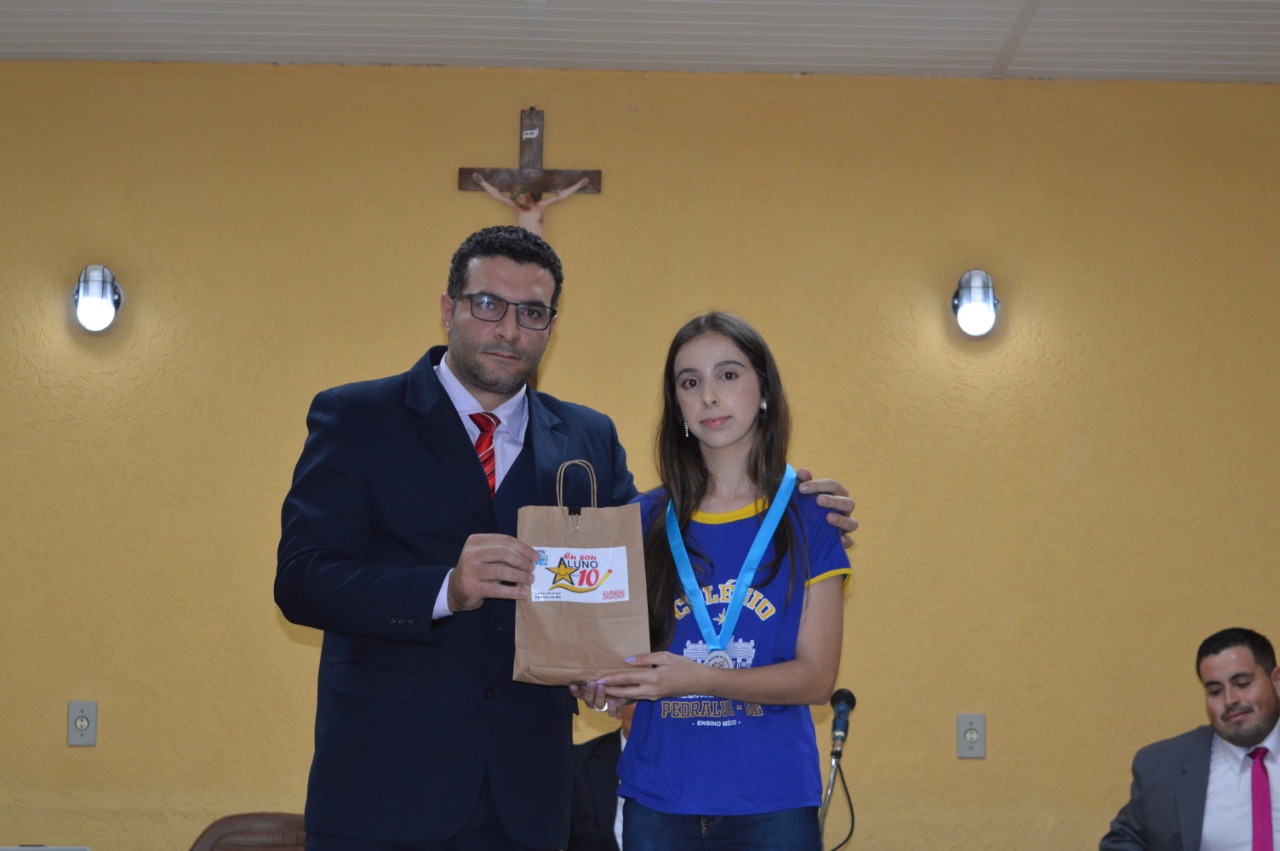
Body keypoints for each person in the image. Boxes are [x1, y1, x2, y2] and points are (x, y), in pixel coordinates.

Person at [275, 227, 859, 851]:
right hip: (385, 787)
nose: (508, 329)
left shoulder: (588, 438)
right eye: (487, 304)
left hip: (529, 794)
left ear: (551, 326)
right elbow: (302, 580)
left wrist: (798, 502)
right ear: (449, 308)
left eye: (531, 312)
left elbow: (627, 583)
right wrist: (445, 588)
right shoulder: (358, 417)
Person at [591, 312, 851, 851]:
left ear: (764, 391)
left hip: (773, 803)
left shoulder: (812, 515)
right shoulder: (640, 519)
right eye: (690, 382)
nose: (709, 396)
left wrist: (700, 678)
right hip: (658, 800)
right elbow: (616, 657)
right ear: (678, 406)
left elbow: (816, 679)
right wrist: (598, 684)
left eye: (728, 375)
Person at [1100, 626, 1280, 851]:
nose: (1230, 700)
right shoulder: (1163, 766)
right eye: (1215, 691)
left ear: (1276, 680)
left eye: (1242, 684)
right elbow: (1121, 843)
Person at [568, 703, 635, 851]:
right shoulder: (577, 763)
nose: (647, 710)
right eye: (638, 699)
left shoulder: (685, 764)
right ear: (617, 707)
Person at [472, 172, 590, 236]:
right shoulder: (517, 208)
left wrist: (578, 185)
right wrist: (482, 182)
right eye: (517, 197)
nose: (520, 199)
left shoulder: (541, 206)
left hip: (538, 244)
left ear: (527, 195)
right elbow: (498, 196)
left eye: (521, 195)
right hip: (523, 244)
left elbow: (559, 197)